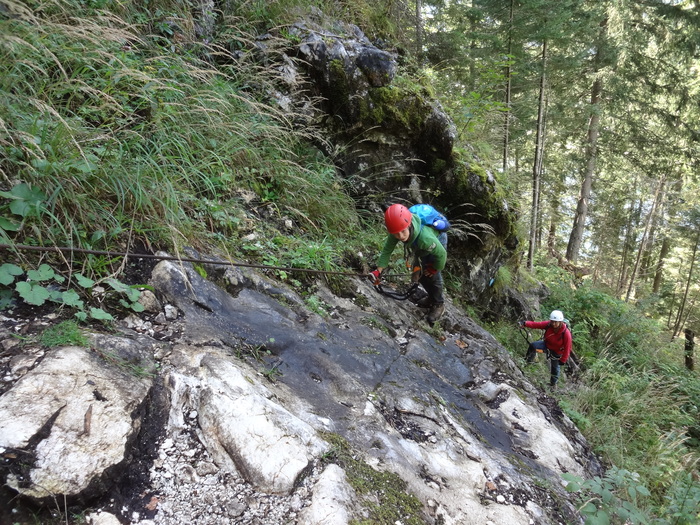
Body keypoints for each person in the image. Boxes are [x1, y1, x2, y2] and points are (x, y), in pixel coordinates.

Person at [369, 203, 447, 324]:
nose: (400, 236)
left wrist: (434, 268)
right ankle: (431, 298)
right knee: (419, 273)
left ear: (409, 224)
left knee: (432, 277)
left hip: (437, 241)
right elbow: (387, 251)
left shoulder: (425, 238)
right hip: (417, 243)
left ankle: (438, 304)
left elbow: (441, 254)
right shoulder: (397, 229)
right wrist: (378, 270)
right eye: (396, 233)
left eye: (402, 231)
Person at [519, 310, 572, 388]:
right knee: (533, 346)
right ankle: (527, 362)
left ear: (560, 322)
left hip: (556, 353)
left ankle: (553, 384)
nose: (553, 324)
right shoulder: (548, 325)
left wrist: (563, 360)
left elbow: (568, 348)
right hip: (546, 347)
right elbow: (537, 324)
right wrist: (525, 323)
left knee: (555, 367)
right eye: (552, 321)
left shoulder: (566, 333)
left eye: (555, 322)